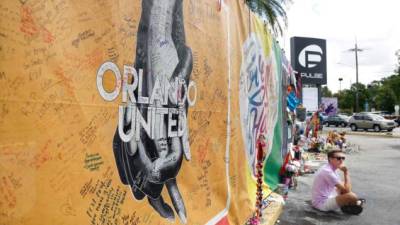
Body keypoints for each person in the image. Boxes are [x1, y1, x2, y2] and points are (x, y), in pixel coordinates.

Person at [311, 149, 365, 214]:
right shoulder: (328, 172)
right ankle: (349, 206)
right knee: (352, 196)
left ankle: (350, 203)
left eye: (343, 158)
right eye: (338, 158)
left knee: (342, 184)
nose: (341, 160)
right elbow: (347, 191)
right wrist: (346, 172)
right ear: (330, 159)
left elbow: (345, 188)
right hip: (321, 203)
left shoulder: (330, 167)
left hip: (327, 195)